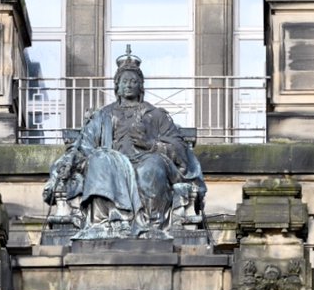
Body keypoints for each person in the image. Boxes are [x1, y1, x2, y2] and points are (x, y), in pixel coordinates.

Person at [43, 48, 206, 238]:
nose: (129, 85)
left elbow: (179, 149)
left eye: (134, 81)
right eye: (124, 81)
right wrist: (70, 161)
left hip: (146, 159)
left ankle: (150, 225)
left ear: (141, 87)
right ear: (117, 87)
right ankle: (106, 222)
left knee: (152, 168)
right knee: (99, 160)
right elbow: (85, 145)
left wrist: (152, 145)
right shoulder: (103, 115)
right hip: (112, 163)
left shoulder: (156, 115)